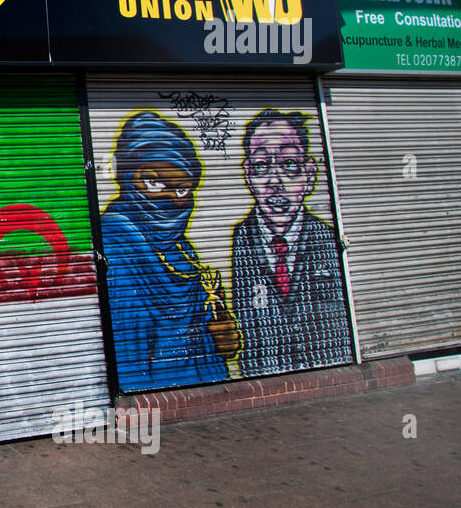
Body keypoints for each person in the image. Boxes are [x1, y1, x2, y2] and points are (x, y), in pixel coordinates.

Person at [100, 111, 239, 390]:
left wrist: (220, 331)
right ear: (124, 175)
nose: (167, 198)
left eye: (181, 190)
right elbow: (128, 359)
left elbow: (210, 337)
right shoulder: (116, 246)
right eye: (153, 182)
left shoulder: (181, 250)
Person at [230, 109, 350, 375]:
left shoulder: (329, 239)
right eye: (261, 166)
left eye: (289, 164)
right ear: (248, 175)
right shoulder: (239, 240)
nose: (275, 181)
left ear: (309, 175)